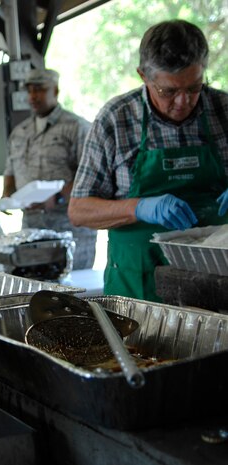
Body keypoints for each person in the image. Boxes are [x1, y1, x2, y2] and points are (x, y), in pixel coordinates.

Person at [69, 19, 228, 302]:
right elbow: (79, 210)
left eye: (194, 88)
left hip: (218, 284)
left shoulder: (224, 110)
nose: (183, 101)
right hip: (139, 286)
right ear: (143, 76)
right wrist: (139, 208)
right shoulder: (115, 120)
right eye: (168, 91)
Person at [2, 68, 96, 270]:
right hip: (32, 229)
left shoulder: (77, 127)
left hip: (70, 231)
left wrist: (59, 197)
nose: (33, 96)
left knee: (75, 293)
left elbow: (90, 177)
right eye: (29, 91)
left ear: (56, 91)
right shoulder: (20, 132)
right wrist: (6, 196)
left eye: (40, 90)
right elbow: (10, 170)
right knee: (37, 292)